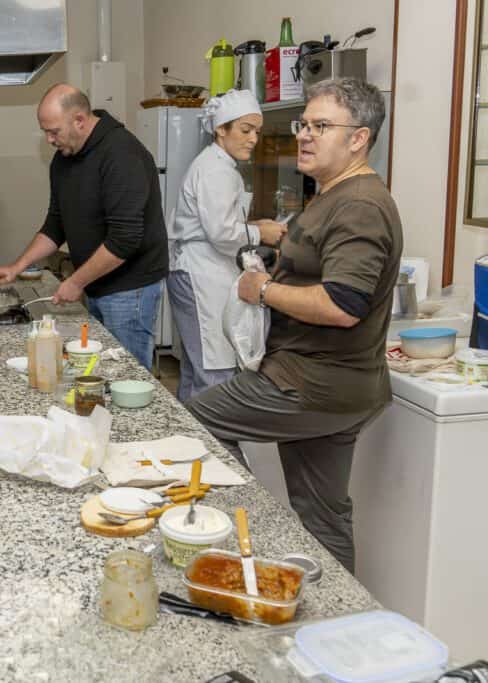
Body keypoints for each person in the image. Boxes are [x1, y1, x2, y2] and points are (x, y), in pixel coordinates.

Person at [186, 79, 402, 573]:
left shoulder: (361, 205)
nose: (304, 135)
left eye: (321, 126)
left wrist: (260, 290)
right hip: (341, 387)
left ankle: (245, 533)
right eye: (304, 124)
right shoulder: (335, 193)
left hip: (308, 383)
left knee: (191, 424)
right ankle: (340, 627)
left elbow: (343, 302)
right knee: (323, 518)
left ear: (358, 138)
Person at [0, 83, 168, 370]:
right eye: (45, 131)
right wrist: (18, 266)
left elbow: (124, 239)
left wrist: (76, 281)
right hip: (97, 283)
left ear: (80, 121)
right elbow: (55, 223)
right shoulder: (65, 158)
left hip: (129, 289)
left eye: (54, 131)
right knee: (98, 370)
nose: (49, 139)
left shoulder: (122, 154)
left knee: (126, 373)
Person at [168, 89, 288, 402]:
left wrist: (256, 226)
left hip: (204, 270)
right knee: (213, 372)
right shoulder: (214, 169)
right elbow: (222, 233)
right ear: (221, 129)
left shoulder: (219, 166)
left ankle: (189, 441)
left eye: (257, 132)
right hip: (201, 274)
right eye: (245, 130)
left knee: (201, 369)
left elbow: (220, 223)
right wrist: (261, 235)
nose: (253, 139)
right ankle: (209, 445)